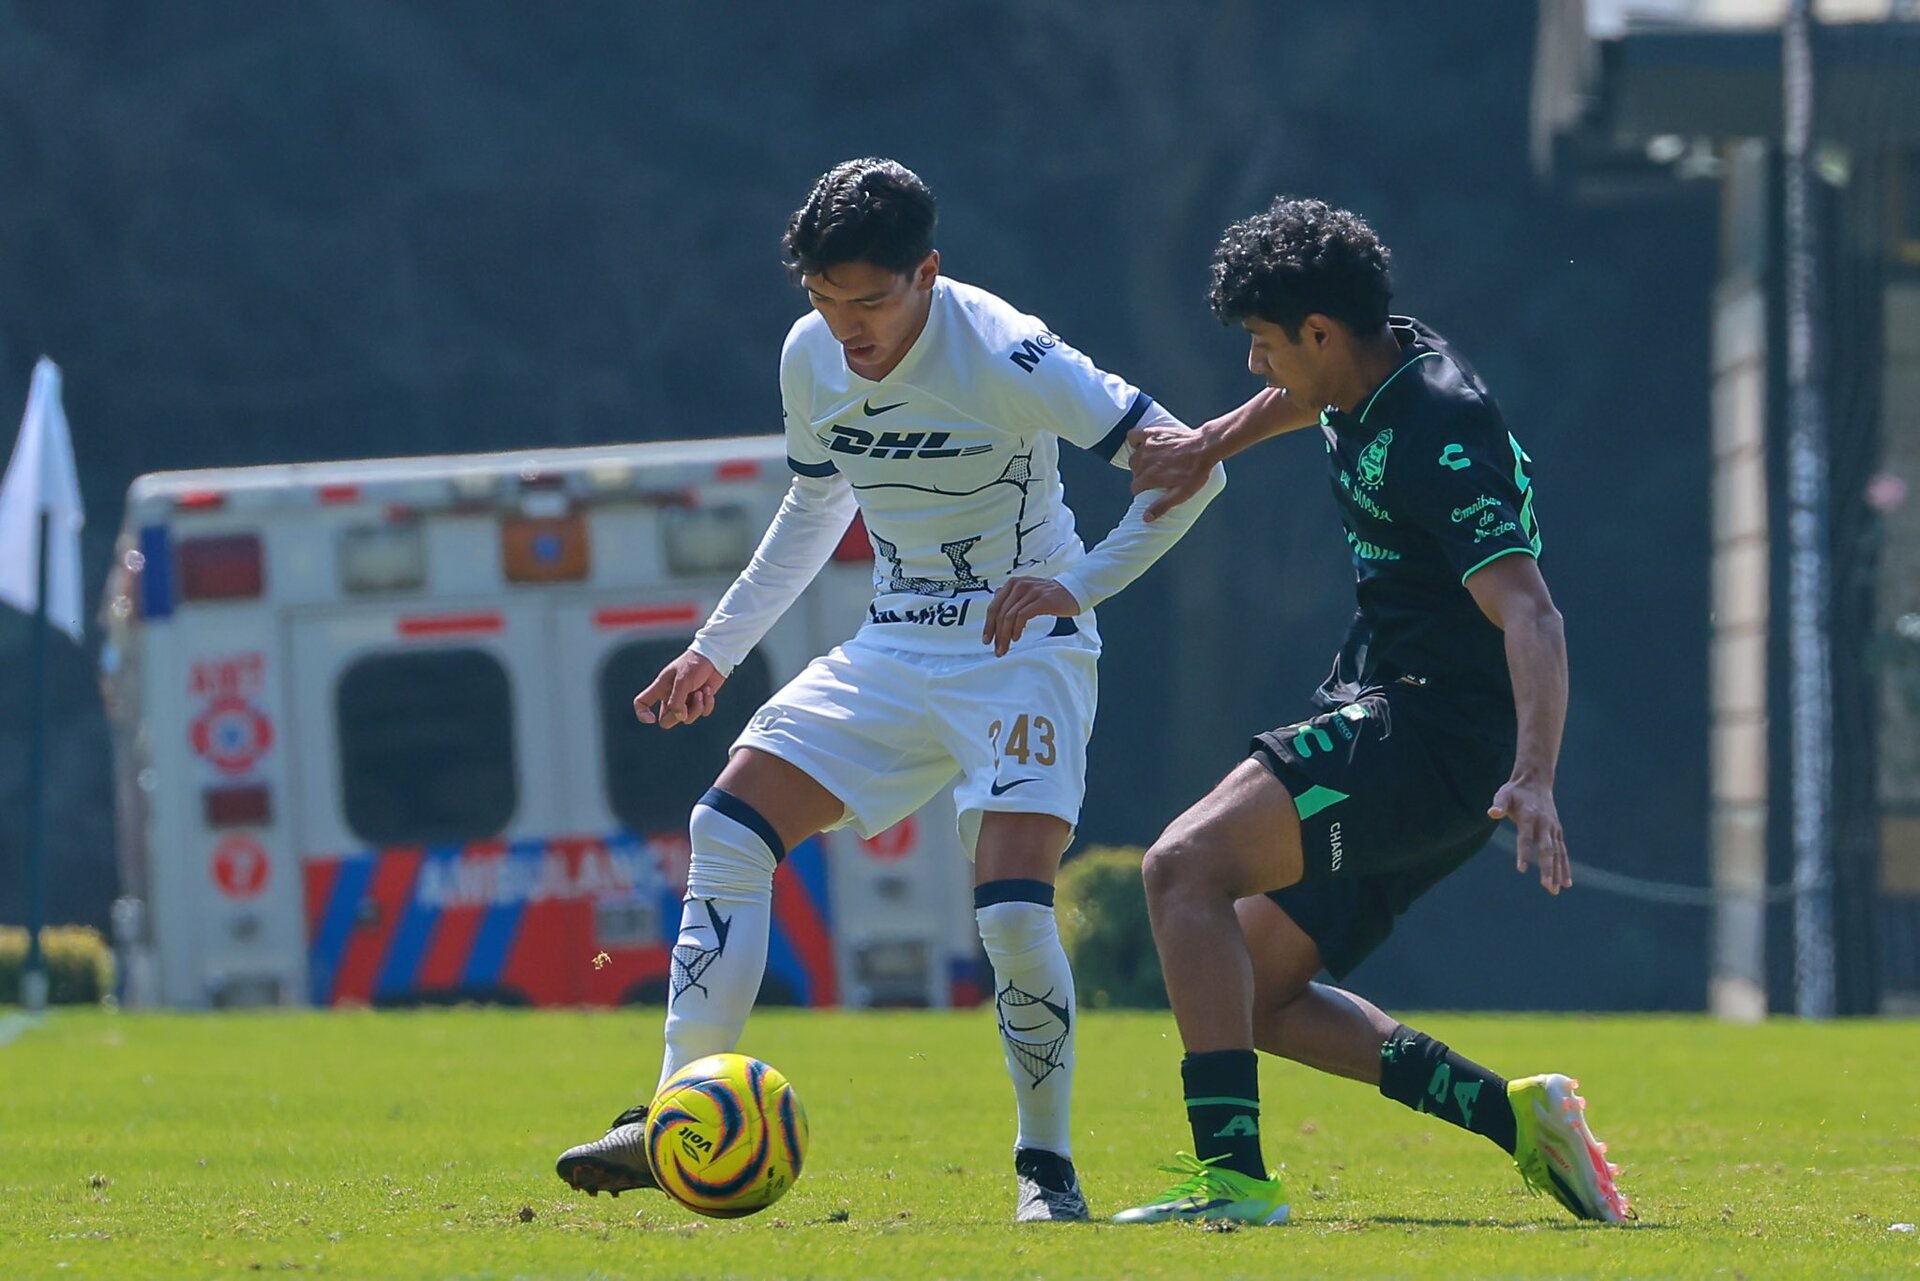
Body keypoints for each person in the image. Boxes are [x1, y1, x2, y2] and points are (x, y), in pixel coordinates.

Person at [555, 157, 1224, 1222]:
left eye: (870, 301)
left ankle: (1045, 1170)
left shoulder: (1009, 350)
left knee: (1008, 911)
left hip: (1025, 650)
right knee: (726, 825)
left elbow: (1192, 468)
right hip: (897, 643)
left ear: (928, 272)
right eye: (825, 301)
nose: (848, 328)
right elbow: (815, 508)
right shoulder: (810, 357)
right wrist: (714, 650)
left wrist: (1073, 583)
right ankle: (670, 1114)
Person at [1108, 197, 1632, 1227]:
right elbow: (1313, 403)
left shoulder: (1438, 426)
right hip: (1424, 746)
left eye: (1263, 346)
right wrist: (1212, 441)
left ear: (1317, 333)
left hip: (1430, 740)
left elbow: (1532, 612)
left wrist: (1535, 773)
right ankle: (1519, 1118)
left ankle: (1234, 1183)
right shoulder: (1367, 362)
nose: (1256, 368)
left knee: (1181, 869)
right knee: (1251, 991)